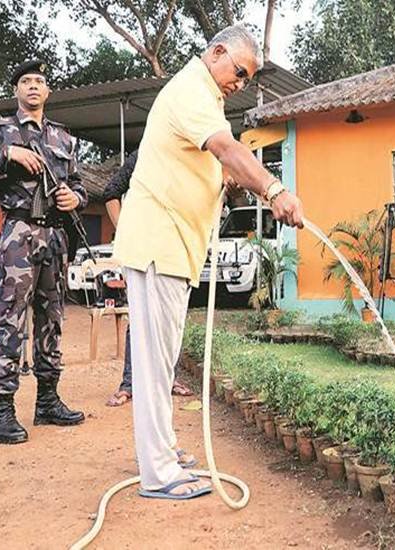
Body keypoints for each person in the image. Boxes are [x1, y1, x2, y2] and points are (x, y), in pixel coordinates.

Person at [113, 25, 303, 500]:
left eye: (246, 78)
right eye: (239, 71)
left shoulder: (208, 98)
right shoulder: (190, 90)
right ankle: (157, 473)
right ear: (217, 52)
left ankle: (164, 452)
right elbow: (227, 149)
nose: (239, 83)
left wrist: (227, 182)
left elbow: (212, 163)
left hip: (177, 248)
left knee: (165, 359)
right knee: (155, 365)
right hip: (159, 242)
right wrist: (273, 189)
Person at [0, 60, 88, 444]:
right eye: (25, 81)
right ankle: (3, 411)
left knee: (52, 320)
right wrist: (8, 156)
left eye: (39, 81)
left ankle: (48, 401)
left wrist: (75, 198)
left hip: (54, 236)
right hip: (18, 231)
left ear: (47, 92)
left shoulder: (63, 138)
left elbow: (80, 185)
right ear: (16, 90)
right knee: (11, 321)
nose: (33, 86)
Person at [102, 149, 193, 408]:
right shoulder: (144, 154)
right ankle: (129, 383)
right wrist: (126, 232)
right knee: (140, 318)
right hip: (142, 251)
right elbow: (111, 193)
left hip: (176, 249)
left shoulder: (189, 156)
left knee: (172, 319)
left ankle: (168, 379)